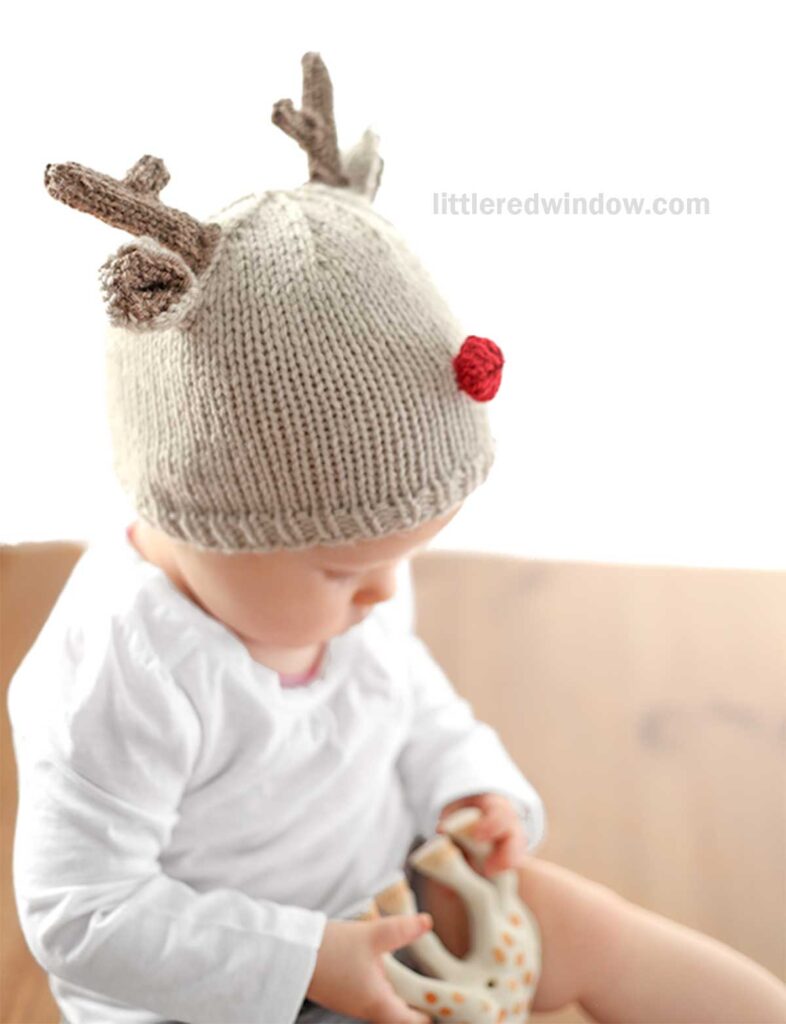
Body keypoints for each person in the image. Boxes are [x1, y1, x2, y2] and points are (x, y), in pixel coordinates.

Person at [7, 51, 785, 1024]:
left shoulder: (349, 587)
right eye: (346, 569)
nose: (382, 596)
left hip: (382, 897)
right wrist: (306, 960)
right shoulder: (119, 673)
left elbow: (403, 700)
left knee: (591, 926)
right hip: (224, 986)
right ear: (199, 518)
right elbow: (82, 915)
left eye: (401, 559)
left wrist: (469, 791)